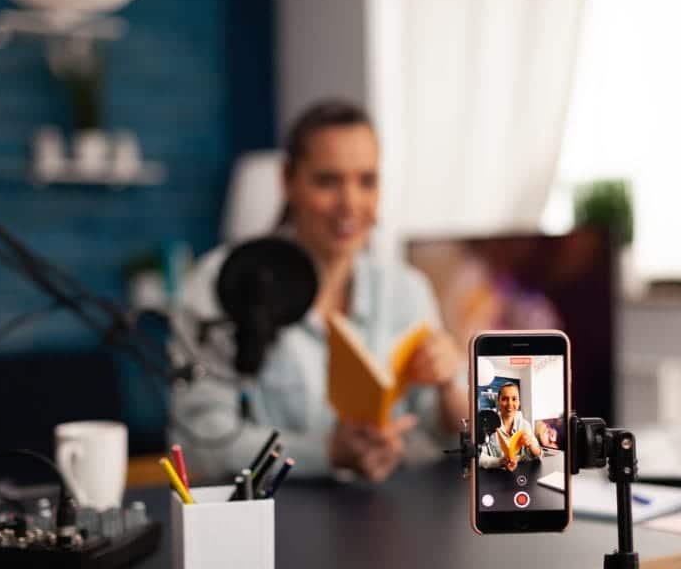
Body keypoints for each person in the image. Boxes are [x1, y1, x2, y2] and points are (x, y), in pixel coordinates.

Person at [169, 100, 468, 482]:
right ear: (288, 181)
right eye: (328, 181)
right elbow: (201, 445)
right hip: (272, 522)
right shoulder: (221, 284)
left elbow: (446, 430)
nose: (350, 203)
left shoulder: (406, 290)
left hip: (388, 520)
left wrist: (447, 387)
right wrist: (325, 452)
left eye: (367, 181)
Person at [479, 382, 541, 471]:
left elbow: (538, 454)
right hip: (494, 478)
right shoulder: (488, 425)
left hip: (522, 475)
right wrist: (500, 462)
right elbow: (479, 457)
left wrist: (531, 445)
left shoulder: (525, 425)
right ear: (498, 401)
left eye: (514, 399)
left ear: (519, 402)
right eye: (504, 399)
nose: (510, 403)